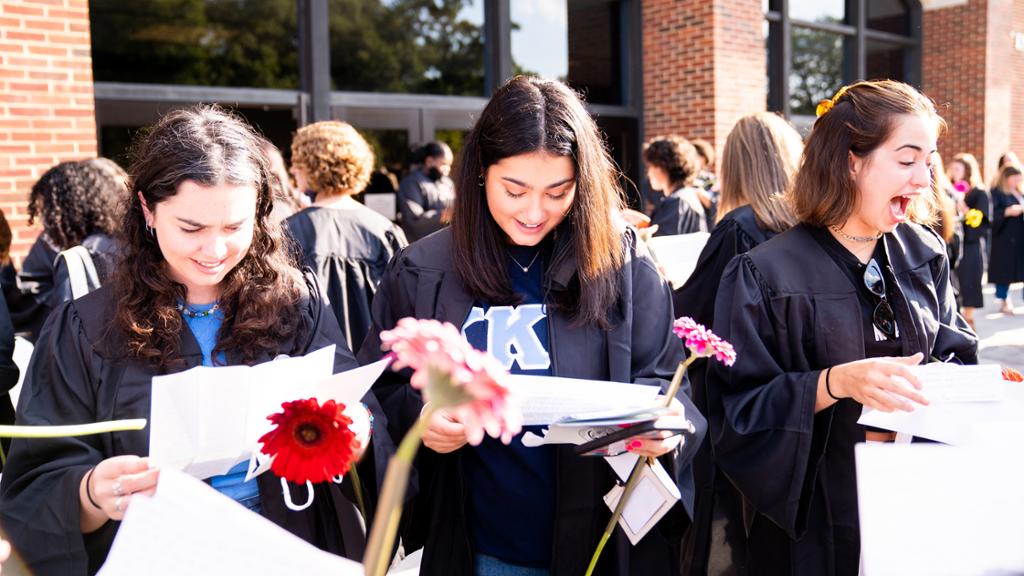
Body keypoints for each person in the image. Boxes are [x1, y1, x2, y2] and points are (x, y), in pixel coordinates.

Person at [0, 106, 394, 575]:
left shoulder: (294, 302)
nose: (214, 251)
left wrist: (356, 428)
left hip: (288, 542)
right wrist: (89, 493)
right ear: (147, 209)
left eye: (234, 227)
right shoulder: (87, 326)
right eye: (191, 228)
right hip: (157, 554)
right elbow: (35, 482)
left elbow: (363, 411)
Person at [358, 75, 706, 576]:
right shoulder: (425, 269)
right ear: (480, 171)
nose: (534, 212)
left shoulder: (620, 263)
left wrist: (665, 429)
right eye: (514, 190)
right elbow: (381, 389)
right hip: (481, 544)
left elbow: (665, 378)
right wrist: (422, 418)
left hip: (600, 543)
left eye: (558, 191)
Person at [708, 80, 977, 576]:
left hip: (914, 501)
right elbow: (736, 411)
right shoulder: (766, 273)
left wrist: (965, 386)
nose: (924, 178)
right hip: (813, 525)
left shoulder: (924, 253)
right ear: (852, 160)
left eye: (930, 160)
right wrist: (833, 383)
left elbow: (954, 354)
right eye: (906, 159)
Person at [673, 112, 802, 576]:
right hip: (794, 397)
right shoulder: (811, 226)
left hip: (738, 397)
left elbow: (692, 313)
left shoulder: (738, 228)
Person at [284, 121, 407, 352]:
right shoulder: (384, 230)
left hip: (314, 362)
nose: (292, 170)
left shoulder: (289, 231)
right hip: (374, 365)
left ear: (312, 165)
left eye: (297, 162)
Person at [8, 159, 125, 342]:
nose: (45, 221)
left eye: (46, 211)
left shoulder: (82, 259)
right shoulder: (122, 242)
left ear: (65, 209)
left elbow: (66, 337)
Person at [950, 153, 990, 326]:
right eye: (952, 168)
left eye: (957, 169)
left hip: (971, 244)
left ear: (967, 171)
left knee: (970, 281)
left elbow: (983, 222)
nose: (953, 172)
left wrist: (964, 209)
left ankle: (968, 318)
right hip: (953, 243)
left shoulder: (978, 193)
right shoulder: (949, 190)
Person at [639, 136, 708, 236]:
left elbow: (662, 247)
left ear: (662, 166)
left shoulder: (676, 202)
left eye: (650, 166)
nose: (648, 173)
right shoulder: (686, 196)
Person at [397, 141, 455, 242]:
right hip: (423, 247)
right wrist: (446, 215)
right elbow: (415, 219)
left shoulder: (447, 182)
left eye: (449, 165)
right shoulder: (411, 183)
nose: (448, 169)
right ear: (429, 161)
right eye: (444, 164)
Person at [988, 163, 1024, 314]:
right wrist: (1007, 211)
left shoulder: (1018, 192)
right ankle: (1004, 300)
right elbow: (991, 216)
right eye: (1015, 178)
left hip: (1019, 239)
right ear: (1007, 178)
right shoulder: (996, 193)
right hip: (1004, 240)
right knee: (1004, 272)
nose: (1018, 181)